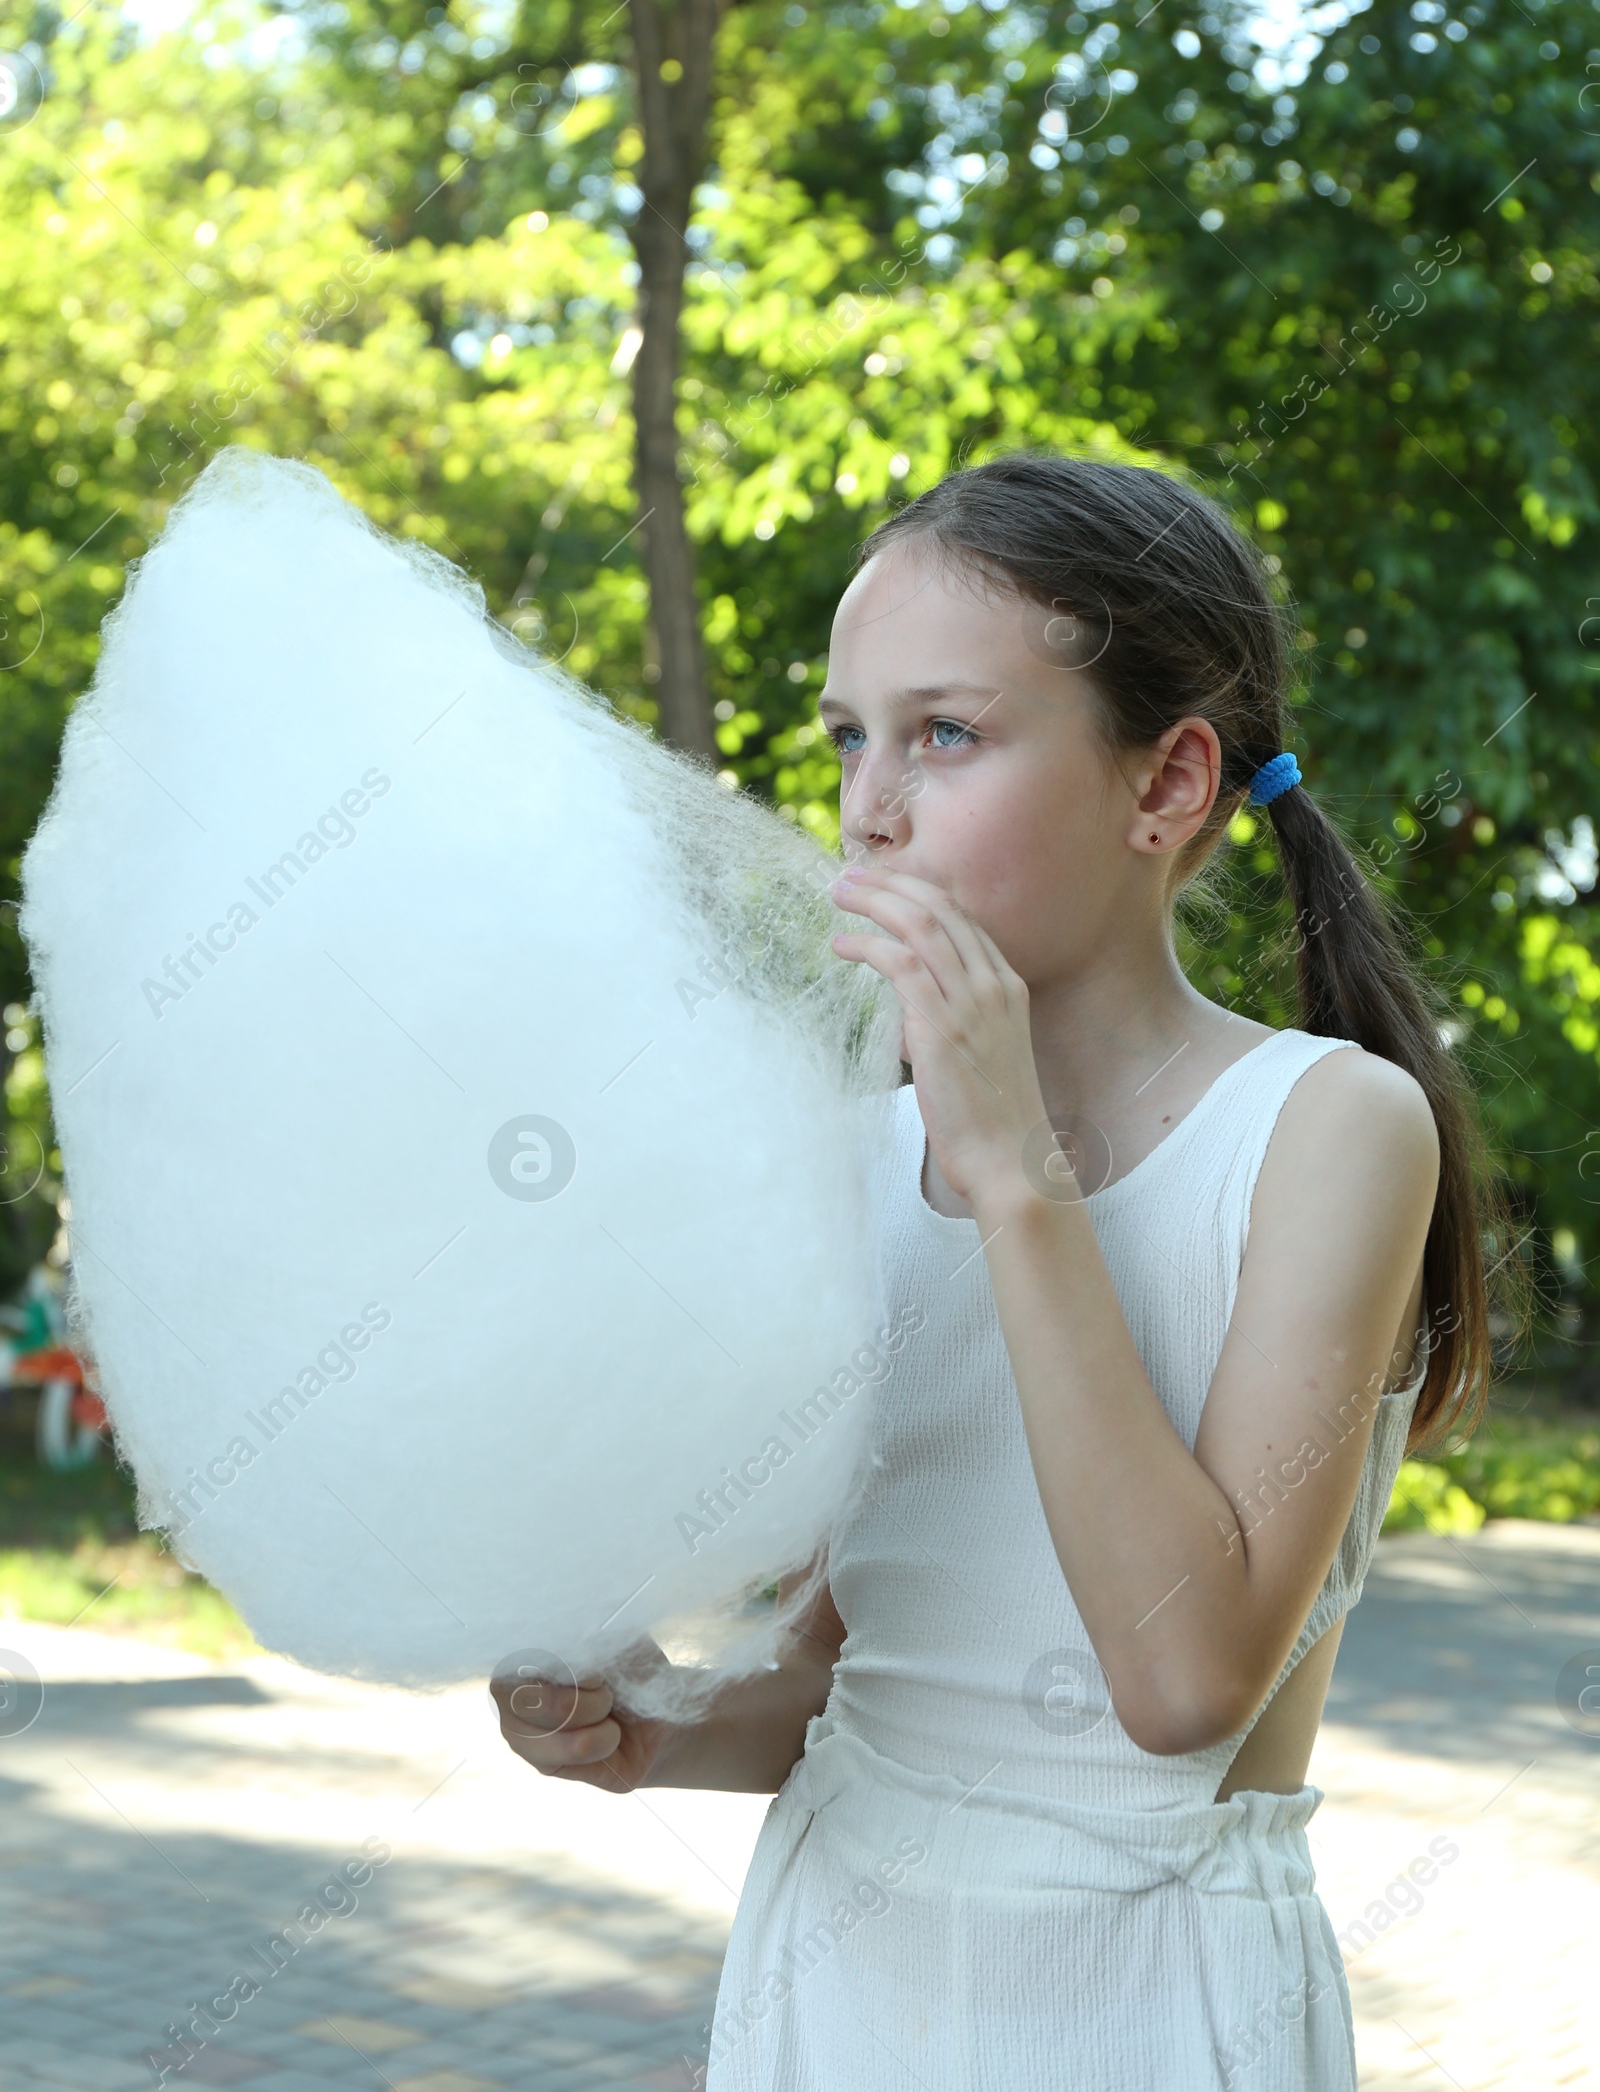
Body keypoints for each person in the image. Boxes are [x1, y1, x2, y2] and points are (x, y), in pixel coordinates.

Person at [492, 454, 1508, 2090]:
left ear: (1166, 787)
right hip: (839, 1982)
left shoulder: (1326, 1129)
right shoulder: (855, 1161)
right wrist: (648, 1727)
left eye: (945, 734)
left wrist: (1016, 1175)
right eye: (850, 737)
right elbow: (850, 1667)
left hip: (1150, 1999)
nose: (870, 803)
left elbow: (1183, 1684)